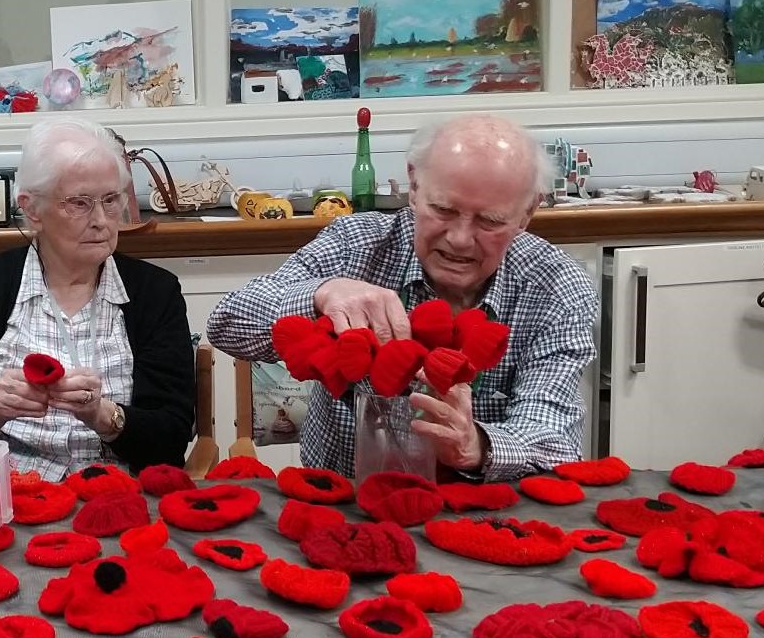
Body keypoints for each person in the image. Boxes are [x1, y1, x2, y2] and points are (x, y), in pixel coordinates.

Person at [206, 114, 598, 482]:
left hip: (483, 511)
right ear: (413, 186)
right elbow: (226, 323)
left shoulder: (556, 286)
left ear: (528, 212)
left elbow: (555, 441)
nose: (460, 239)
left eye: (490, 221)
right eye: (443, 209)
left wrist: (475, 445)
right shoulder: (355, 245)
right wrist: (322, 294)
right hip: (343, 502)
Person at [0, 117, 195, 479]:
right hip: (8, 491)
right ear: (32, 209)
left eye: (111, 200)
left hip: (120, 492)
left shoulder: (155, 293)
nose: (101, 220)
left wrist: (102, 415)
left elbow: (171, 438)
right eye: (79, 203)